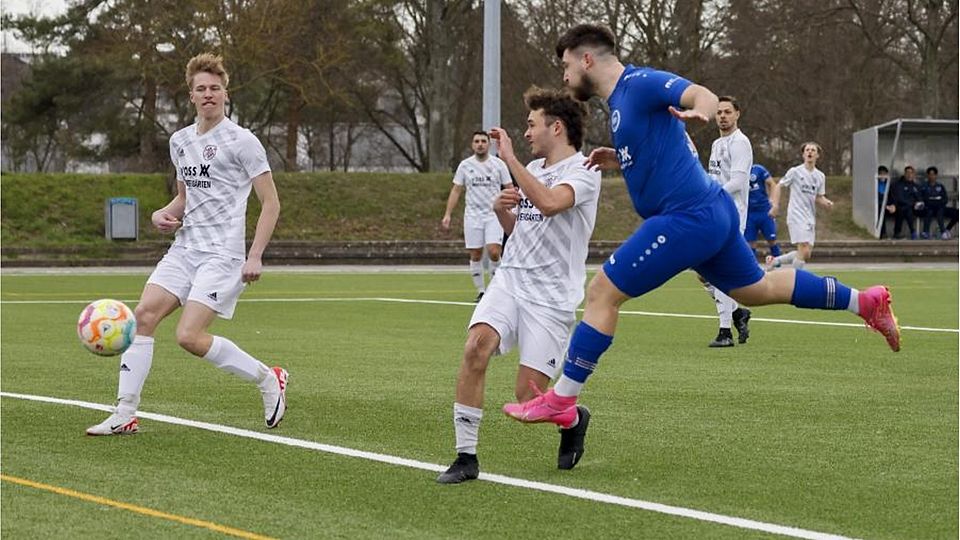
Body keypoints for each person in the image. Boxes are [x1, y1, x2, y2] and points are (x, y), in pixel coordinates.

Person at [501, 23, 900, 431]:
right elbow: (660, 152)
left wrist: (702, 111)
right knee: (757, 289)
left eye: (567, 65)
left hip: (688, 215)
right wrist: (621, 159)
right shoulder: (621, 103)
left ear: (587, 59)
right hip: (711, 212)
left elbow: (700, 94)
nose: (565, 76)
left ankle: (563, 399)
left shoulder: (637, 83)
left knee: (603, 291)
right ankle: (864, 302)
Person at [86, 53, 287, 435]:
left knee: (188, 337)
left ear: (225, 93)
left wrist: (255, 255)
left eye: (215, 88)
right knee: (142, 318)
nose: (208, 94)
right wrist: (162, 212)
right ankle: (124, 413)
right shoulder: (179, 141)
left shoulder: (243, 141)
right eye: (201, 89)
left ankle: (268, 378)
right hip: (185, 248)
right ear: (190, 96)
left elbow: (272, 203)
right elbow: (185, 197)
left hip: (223, 254)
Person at [436, 87, 601, 483]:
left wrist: (507, 158)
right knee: (476, 347)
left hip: (550, 298)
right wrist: (501, 213)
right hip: (510, 280)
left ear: (556, 127)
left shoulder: (585, 172)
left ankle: (573, 418)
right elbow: (525, 230)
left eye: (531, 125)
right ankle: (465, 457)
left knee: (528, 398)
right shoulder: (536, 170)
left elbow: (548, 204)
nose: (525, 133)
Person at [702, 96, 752, 347]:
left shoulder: (740, 143)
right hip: (715, 212)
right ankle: (736, 313)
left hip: (732, 214)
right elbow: (715, 178)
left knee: (718, 270)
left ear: (737, 114)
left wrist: (711, 194)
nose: (722, 116)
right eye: (719, 112)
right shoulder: (716, 143)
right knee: (702, 271)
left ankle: (725, 332)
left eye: (727, 112)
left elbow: (738, 181)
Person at [441, 131, 514, 301]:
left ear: (489, 144)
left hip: (494, 215)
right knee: (475, 254)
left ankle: (496, 290)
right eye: (477, 141)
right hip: (473, 215)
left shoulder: (498, 165)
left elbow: (509, 187)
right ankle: (481, 291)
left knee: (494, 252)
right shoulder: (465, 166)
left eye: (483, 141)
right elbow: (456, 190)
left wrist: (512, 209)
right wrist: (447, 215)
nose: (480, 144)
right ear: (472, 145)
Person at [764, 143, 834, 270]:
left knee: (806, 254)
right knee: (804, 249)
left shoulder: (820, 176)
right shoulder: (795, 172)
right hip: (796, 215)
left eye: (813, 150)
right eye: (807, 150)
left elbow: (818, 196)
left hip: (809, 217)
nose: (810, 152)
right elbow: (779, 185)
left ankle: (775, 261)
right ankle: (796, 280)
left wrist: (826, 202)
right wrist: (775, 205)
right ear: (803, 154)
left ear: (817, 155)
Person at [745, 164, 782, 258]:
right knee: (750, 242)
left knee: (772, 239)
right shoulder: (737, 171)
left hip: (764, 210)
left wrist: (773, 202)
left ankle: (778, 263)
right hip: (749, 212)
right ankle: (753, 268)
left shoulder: (758, 169)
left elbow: (772, 184)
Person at [891, 166, 924, 240]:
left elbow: (920, 198)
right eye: (907, 173)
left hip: (915, 207)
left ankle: (898, 232)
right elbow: (900, 199)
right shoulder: (898, 185)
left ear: (914, 174)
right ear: (904, 174)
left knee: (908, 209)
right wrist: (912, 204)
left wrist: (917, 203)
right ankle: (912, 231)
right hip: (901, 206)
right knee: (905, 209)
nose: (909, 175)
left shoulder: (916, 186)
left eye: (911, 173)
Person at [919, 166, 950, 239]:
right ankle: (925, 232)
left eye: (933, 174)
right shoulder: (923, 186)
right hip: (928, 206)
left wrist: (940, 202)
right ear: (927, 175)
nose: (931, 176)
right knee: (929, 211)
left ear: (936, 175)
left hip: (939, 206)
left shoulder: (940, 186)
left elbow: (945, 198)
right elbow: (921, 197)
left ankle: (943, 232)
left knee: (940, 211)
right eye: (930, 174)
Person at [876, 165, 896, 239]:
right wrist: (885, 206)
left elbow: (893, 197)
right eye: (881, 173)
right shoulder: (875, 184)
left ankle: (897, 233)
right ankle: (883, 233)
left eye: (884, 174)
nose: (882, 176)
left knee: (901, 210)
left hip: (889, 206)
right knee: (881, 210)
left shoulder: (889, 185)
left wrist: (893, 205)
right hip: (879, 206)